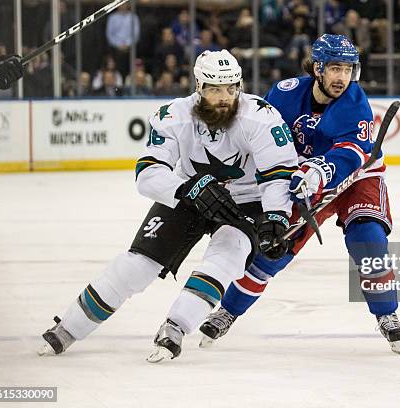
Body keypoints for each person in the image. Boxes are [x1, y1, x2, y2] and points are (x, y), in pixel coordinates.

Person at [38, 50, 299, 358]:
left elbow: (278, 174)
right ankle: (69, 327)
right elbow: (148, 173)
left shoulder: (259, 116)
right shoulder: (174, 115)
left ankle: (175, 327)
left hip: (245, 200)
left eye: (231, 88)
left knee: (228, 253)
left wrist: (276, 218)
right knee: (135, 266)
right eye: (215, 89)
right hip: (188, 193)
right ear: (199, 87)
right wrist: (190, 189)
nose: (225, 97)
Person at [199, 34, 400, 354]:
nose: (342, 77)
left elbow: (353, 153)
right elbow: (260, 137)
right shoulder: (284, 95)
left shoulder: (354, 102)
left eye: (348, 69)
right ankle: (228, 310)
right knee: (273, 249)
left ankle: (387, 313)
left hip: (357, 178)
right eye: (335, 68)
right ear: (318, 68)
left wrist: (319, 171)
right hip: (302, 181)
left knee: (368, 240)